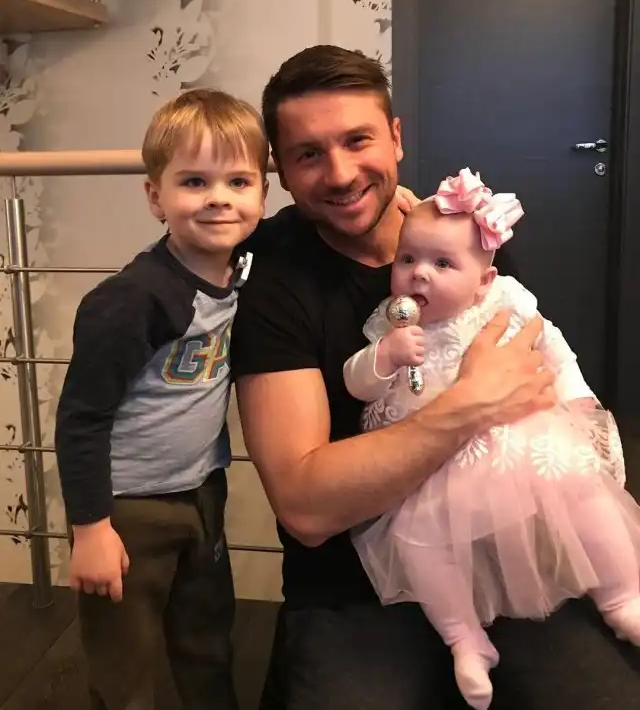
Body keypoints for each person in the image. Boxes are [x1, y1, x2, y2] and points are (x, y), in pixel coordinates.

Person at [231, 44, 640, 710]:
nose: (340, 173)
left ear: (395, 137)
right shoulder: (275, 281)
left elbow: (535, 367)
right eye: (308, 153)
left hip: (508, 541)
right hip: (355, 579)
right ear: (279, 167)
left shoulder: (462, 232)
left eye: (357, 140)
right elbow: (306, 508)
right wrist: (470, 404)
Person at [344, 167, 640, 710]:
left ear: (485, 279)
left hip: (516, 441)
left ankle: (623, 595)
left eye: (442, 264)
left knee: (584, 493)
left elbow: (553, 346)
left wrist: (578, 398)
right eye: (407, 259)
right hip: (430, 463)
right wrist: (382, 358)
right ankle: (465, 640)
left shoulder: (503, 301)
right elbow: (356, 382)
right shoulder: (390, 324)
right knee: (417, 541)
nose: (419, 275)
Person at [54, 88, 269, 710]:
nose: (219, 198)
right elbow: (81, 419)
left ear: (263, 193)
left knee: (208, 637)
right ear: (156, 197)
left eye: (239, 181)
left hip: (201, 491)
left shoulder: (246, 265)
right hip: (127, 508)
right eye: (195, 182)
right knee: (124, 655)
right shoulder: (131, 301)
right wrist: (90, 529)